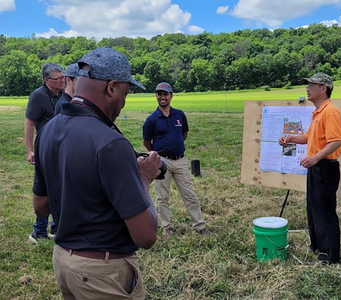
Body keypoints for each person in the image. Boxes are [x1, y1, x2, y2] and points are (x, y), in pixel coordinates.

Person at [32, 47, 160, 299]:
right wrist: (143, 179)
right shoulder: (111, 143)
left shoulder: (47, 130)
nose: (124, 102)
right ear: (112, 87)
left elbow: (41, 207)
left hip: (64, 263)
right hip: (103, 272)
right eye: (126, 92)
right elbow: (146, 236)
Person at [278, 73, 341, 264]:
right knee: (314, 208)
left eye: (311, 85)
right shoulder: (318, 113)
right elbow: (308, 137)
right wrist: (289, 139)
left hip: (325, 167)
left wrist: (314, 157)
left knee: (324, 210)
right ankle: (317, 246)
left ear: (323, 88)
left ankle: (330, 256)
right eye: (306, 85)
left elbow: (337, 141)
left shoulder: (330, 111)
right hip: (317, 167)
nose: (307, 88)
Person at [142, 82, 211, 236]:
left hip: (180, 161)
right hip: (161, 163)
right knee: (162, 197)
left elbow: (184, 134)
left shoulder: (179, 115)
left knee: (189, 194)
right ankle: (168, 229)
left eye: (165, 94)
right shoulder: (151, 119)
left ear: (171, 96)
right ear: (156, 96)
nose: (162, 97)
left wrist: (175, 147)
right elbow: (147, 142)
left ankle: (200, 226)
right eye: (159, 94)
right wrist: (158, 156)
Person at [25, 62, 64, 243]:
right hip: (45, 150)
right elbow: (29, 123)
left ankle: (57, 229)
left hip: (62, 150)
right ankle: (39, 232)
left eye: (63, 78)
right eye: (58, 79)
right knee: (45, 189)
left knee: (61, 189)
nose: (62, 81)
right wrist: (30, 150)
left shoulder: (64, 95)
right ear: (47, 80)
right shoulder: (38, 96)